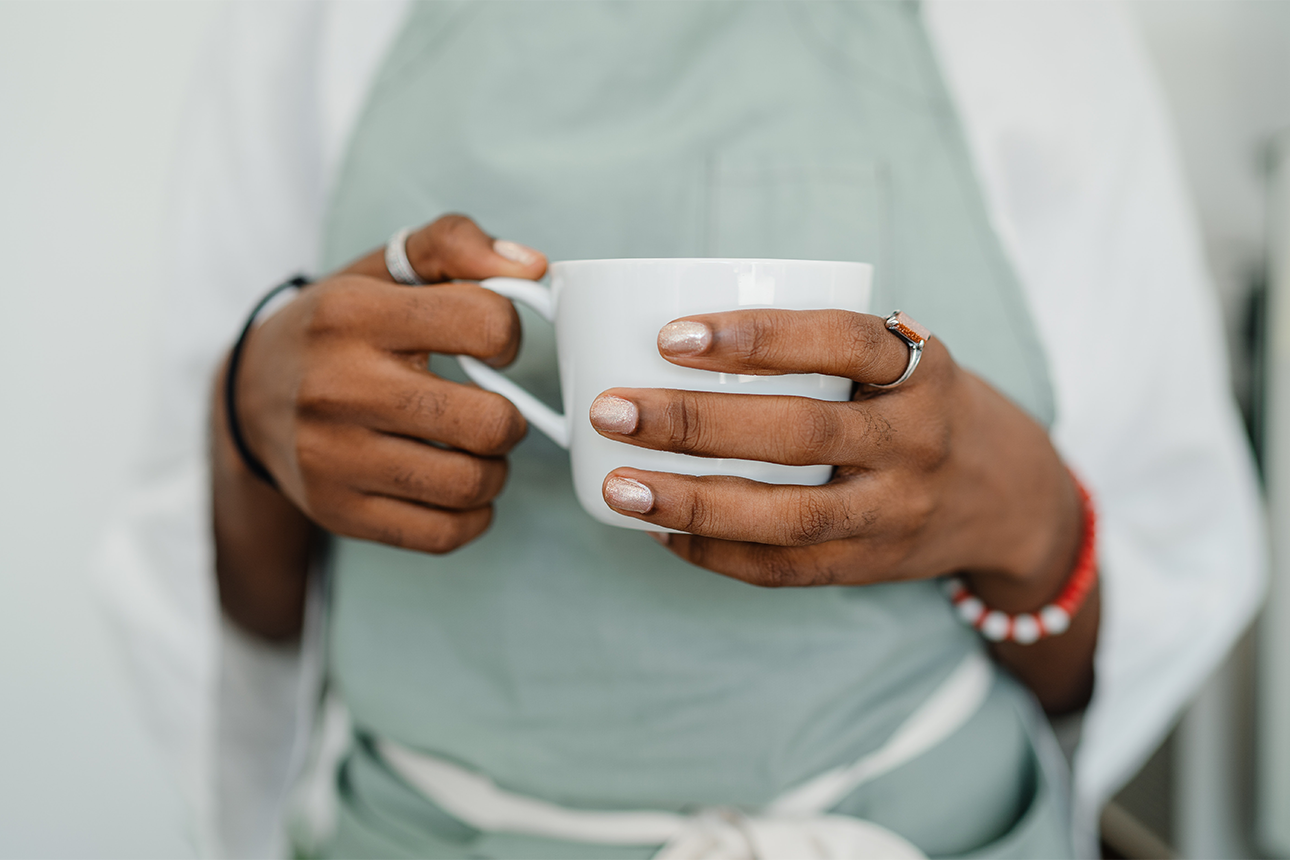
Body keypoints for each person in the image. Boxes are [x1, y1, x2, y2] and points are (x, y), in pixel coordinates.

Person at [94, 2, 1266, 858]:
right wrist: (251, 411)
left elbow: (1140, 594)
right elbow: (230, 626)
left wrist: (1022, 507)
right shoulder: (302, 27)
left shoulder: (1040, 33)